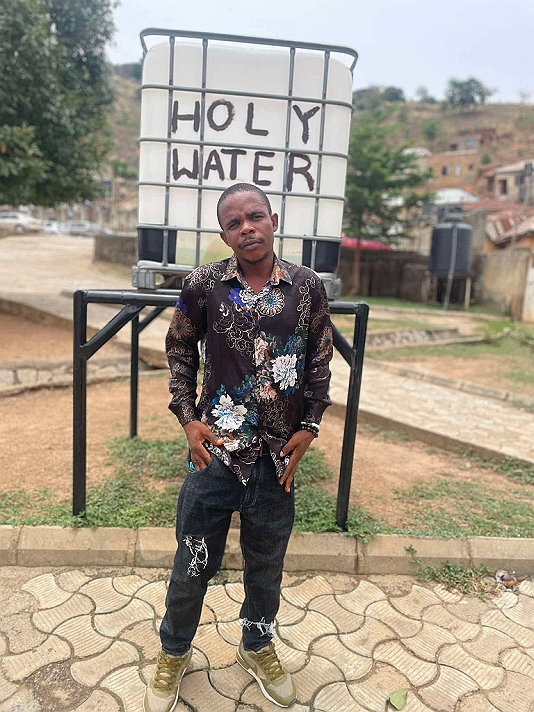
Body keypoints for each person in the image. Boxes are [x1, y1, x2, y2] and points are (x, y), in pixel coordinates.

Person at [143, 183, 333, 712]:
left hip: (276, 460)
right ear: (224, 234)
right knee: (193, 562)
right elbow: (180, 349)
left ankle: (256, 645)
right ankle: (174, 652)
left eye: (255, 217)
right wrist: (188, 419)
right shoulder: (203, 284)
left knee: (266, 567)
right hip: (214, 455)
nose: (247, 227)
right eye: (234, 223)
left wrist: (309, 426)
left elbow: (320, 357)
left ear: (274, 221)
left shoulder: (306, 286)